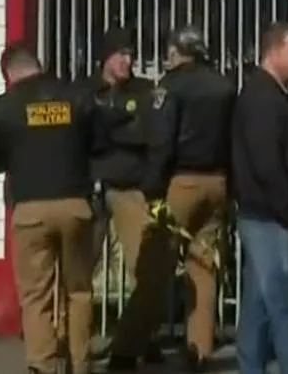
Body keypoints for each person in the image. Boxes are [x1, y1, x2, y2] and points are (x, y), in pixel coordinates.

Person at [0, 43, 97, 374]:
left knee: (36, 294)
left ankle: (41, 365)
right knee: (79, 291)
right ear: (38, 65)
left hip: (30, 211)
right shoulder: (76, 97)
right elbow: (97, 143)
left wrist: (15, 157)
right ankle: (80, 364)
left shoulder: (4, 106)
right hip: (75, 206)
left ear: (8, 74)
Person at [68, 27, 166, 371]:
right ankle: (73, 345)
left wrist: (109, 127)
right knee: (79, 270)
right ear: (105, 57)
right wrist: (118, 127)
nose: (127, 60)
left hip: (130, 187)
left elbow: (148, 133)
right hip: (92, 188)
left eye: (131, 55)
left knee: (148, 266)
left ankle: (136, 341)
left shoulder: (143, 91)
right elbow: (78, 136)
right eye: (120, 54)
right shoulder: (82, 91)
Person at [143, 23, 238, 372]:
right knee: (204, 266)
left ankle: (129, 345)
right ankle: (199, 349)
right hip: (218, 183)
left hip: (182, 183)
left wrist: (152, 189)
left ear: (175, 52)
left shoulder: (170, 87)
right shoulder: (225, 86)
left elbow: (162, 140)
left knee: (156, 262)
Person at [232, 21, 288, 374]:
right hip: (272, 220)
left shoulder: (275, 98)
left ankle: (250, 367)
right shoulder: (263, 100)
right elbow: (266, 162)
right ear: (273, 51)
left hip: (267, 217)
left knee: (259, 310)